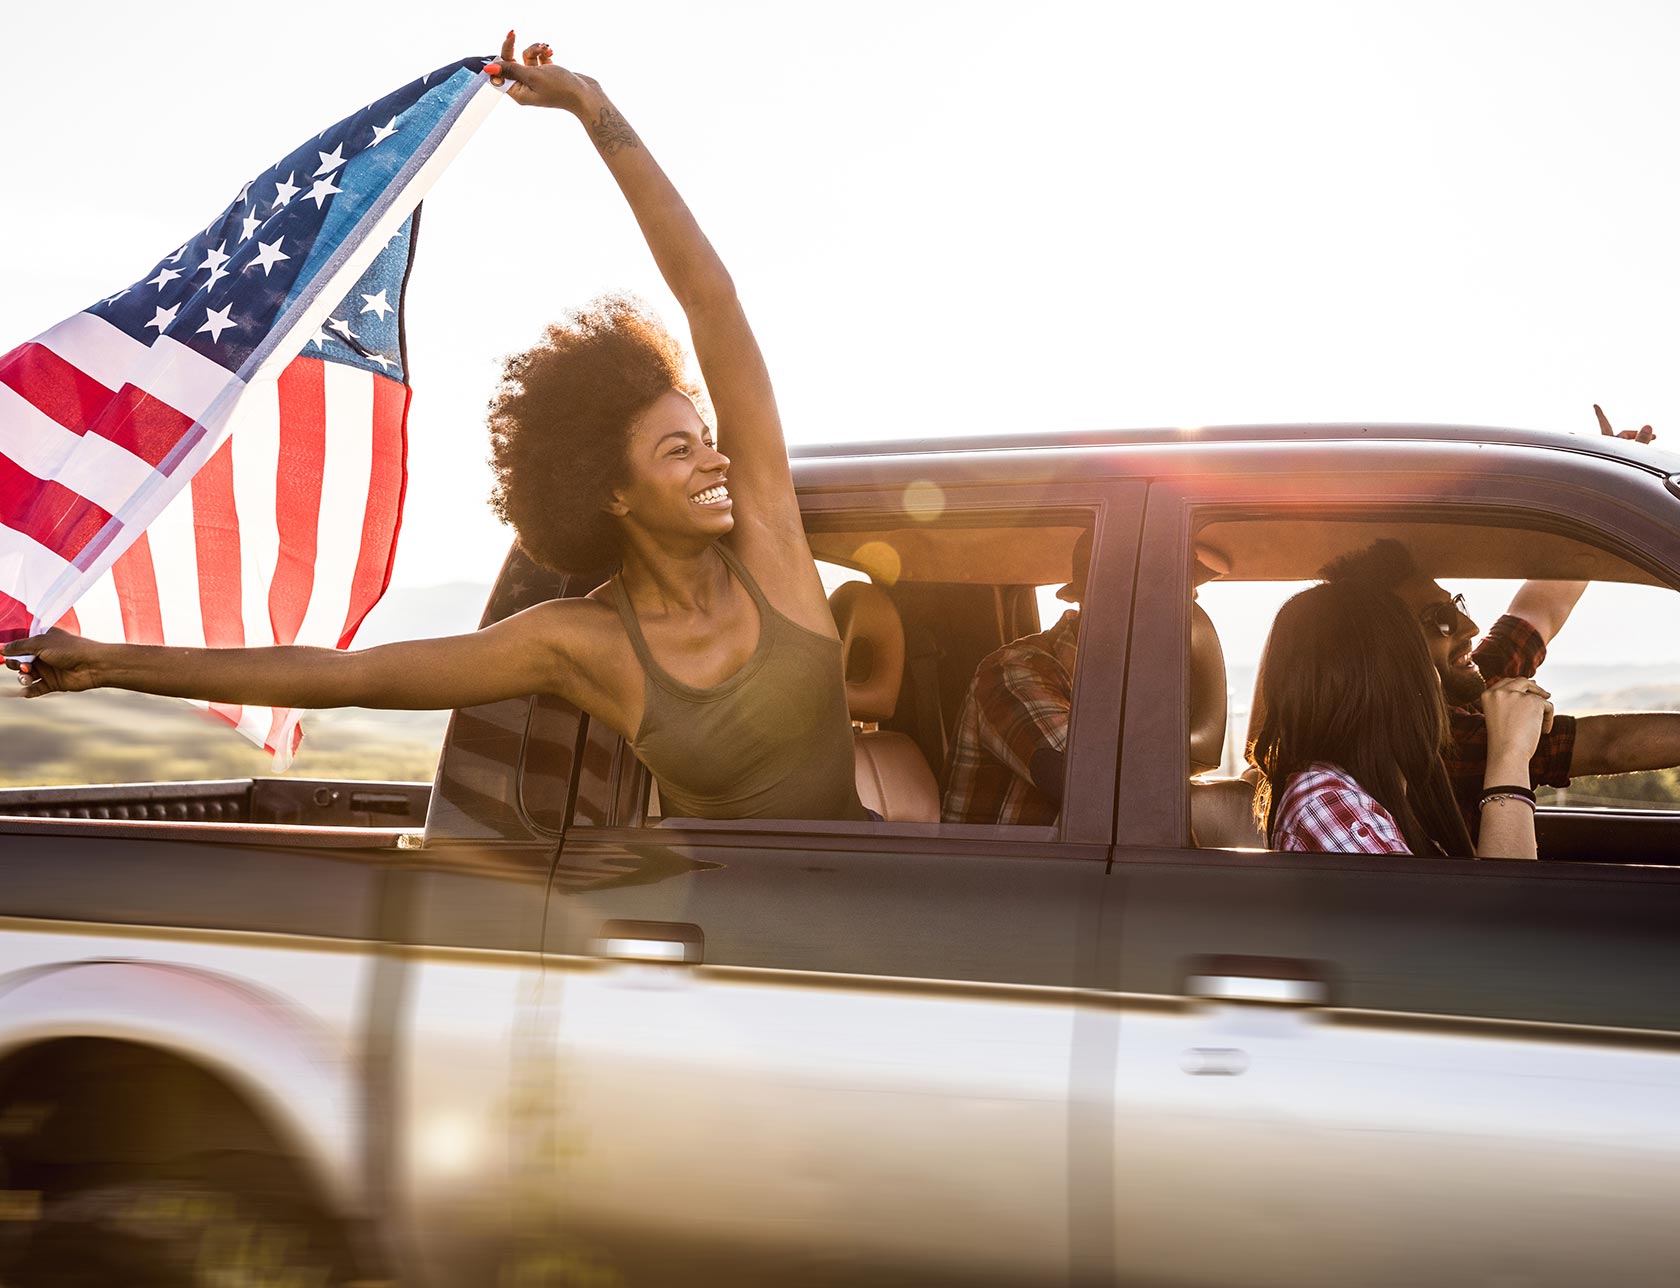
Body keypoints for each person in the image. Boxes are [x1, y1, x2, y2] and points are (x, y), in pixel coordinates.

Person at [1, 35, 868, 825]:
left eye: (706, 437)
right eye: (678, 449)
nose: (717, 459)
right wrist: (111, 662)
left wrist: (596, 111)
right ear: (608, 490)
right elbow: (349, 677)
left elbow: (709, 303)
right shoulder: (582, 643)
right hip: (736, 954)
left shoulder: (768, 538)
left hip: (885, 910)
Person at [1321, 538, 1680, 839]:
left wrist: (1601, 508)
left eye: (1456, 605)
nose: (1470, 627)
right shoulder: (1433, 744)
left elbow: (1542, 609)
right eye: (1441, 620)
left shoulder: (1464, 680)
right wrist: (1511, 746)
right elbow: (1609, 745)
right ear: (1387, 650)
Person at [1251, 579, 1551, 859]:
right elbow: (1508, 913)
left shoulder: (1386, 793)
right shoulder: (1325, 802)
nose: (1435, 680)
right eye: (1419, 660)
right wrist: (1509, 756)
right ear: (1383, 683)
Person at [940, 532, 1088, 825]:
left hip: (1067, 867)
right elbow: (1100, 784)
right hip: (991, 870)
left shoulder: (1114, 686)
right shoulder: (1013, 672)